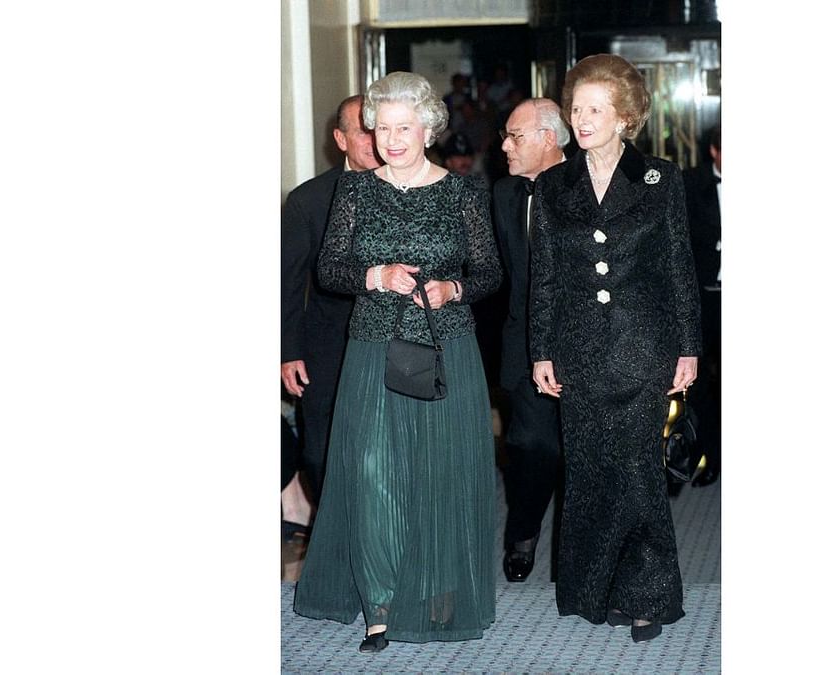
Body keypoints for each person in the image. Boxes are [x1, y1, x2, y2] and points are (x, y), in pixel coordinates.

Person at [292, 71, 502, 653]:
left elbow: (490, 274)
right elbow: (329, 270)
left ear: (428, 128)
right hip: (374, 346)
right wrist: (373, 275)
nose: (391, 139)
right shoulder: (355, 192)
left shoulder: (462, 193)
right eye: (382, 127)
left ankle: (433, 590)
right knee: (374, 473)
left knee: (438, 472)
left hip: (446, 348)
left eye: (403, 127)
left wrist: (451, 290)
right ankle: (380, 604)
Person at [528, 54, 701, 643]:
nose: (582, 119)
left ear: (625, 117)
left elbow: (681, 268)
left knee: (636, 473)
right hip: (578, 351)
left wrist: (689, 348)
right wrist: (541, 349)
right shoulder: (554, 185)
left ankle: (646, 596)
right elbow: (544, 274)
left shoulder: (660, 179)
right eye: (578, 108)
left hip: (643, 347)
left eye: (596, 109)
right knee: (590, 471)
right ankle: (593, 589)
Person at [281, 95, 381, 517]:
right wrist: (289, 353)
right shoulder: (308, 200)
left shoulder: (417, 191)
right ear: (341, 139)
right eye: (364, 130)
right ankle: (336, 530)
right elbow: (286, 284)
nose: (376, 140)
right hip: (328, 345)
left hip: (395, 343)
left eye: (382, 127)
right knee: (319, 456)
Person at [492, 98, 569, 582]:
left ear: (548, 138)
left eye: (515, 136)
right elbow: (499, 276)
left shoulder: (592, 186)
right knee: (529, 445)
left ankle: (579, 551)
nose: (504, 145)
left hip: (587, 347)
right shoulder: (503, 194)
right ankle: (522, 533)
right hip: (524, 347)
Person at [682, 124, 721, 485]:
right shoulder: (691, 184)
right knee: (699, 385)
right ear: (715, 152)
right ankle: (709, 452)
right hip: (704, 297)